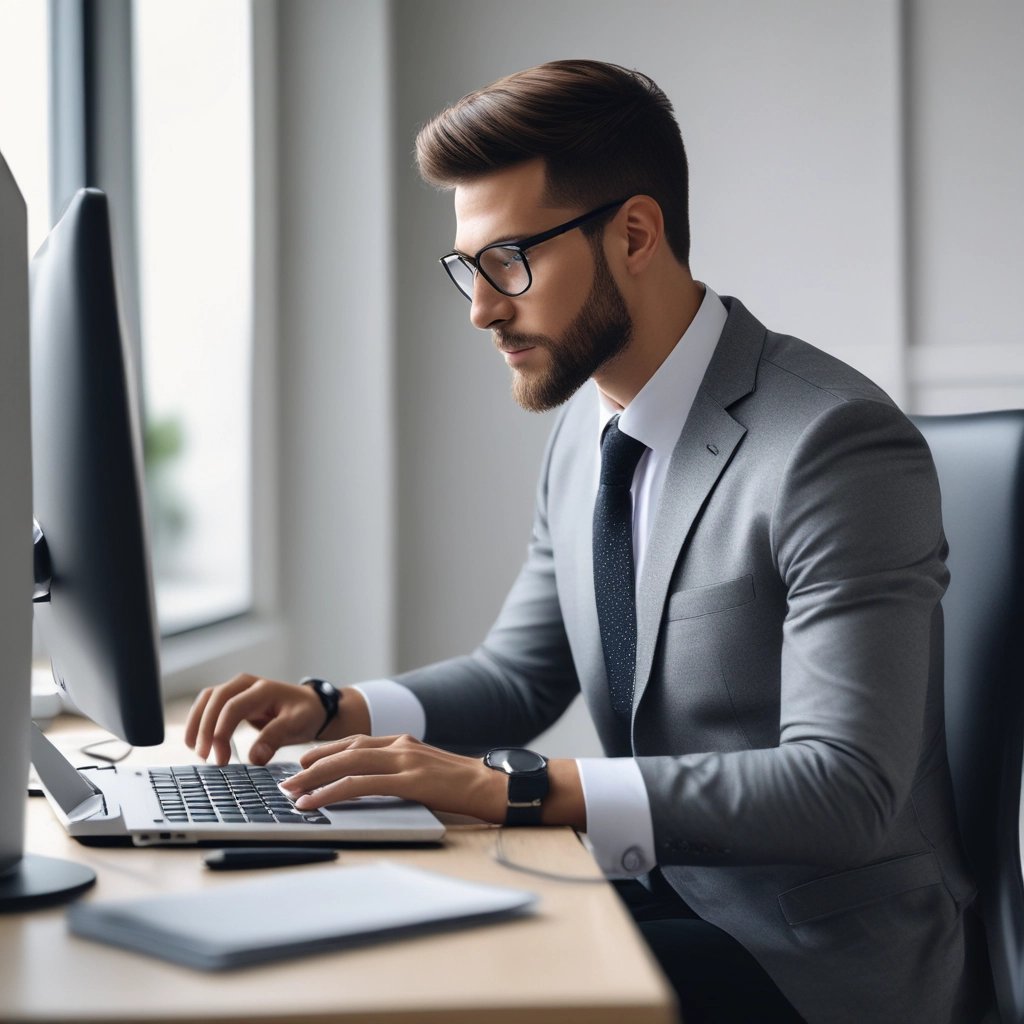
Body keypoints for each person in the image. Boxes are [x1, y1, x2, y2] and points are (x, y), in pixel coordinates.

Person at [186, 60, 991, 1023]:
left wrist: (510, 789)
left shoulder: (831, 444)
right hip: (658, 888)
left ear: (635, 233)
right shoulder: (587, 430)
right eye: (467, 268)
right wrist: (338, 707)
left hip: (818, 960)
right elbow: (522, 676)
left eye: (510, 261)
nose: (482, 307)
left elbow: (842, 789)